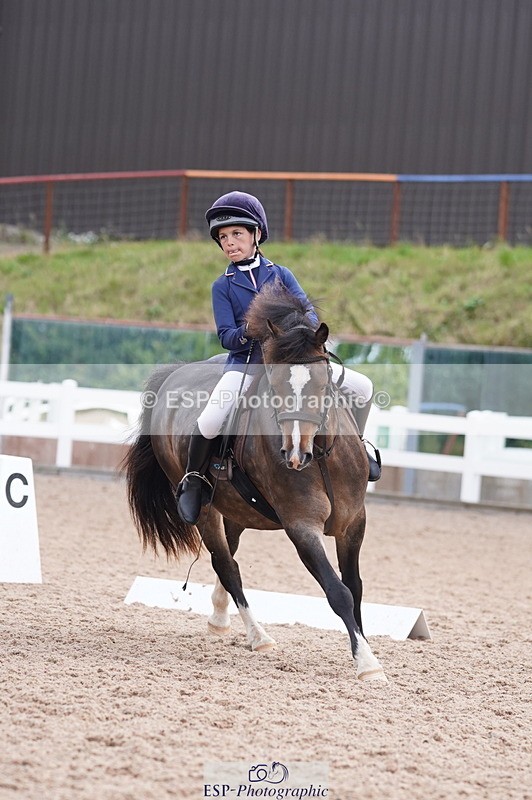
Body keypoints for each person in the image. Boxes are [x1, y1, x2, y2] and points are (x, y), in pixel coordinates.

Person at [177, 191, 381, 525]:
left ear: (256, 234)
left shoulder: (281, 274)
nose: (230, 243)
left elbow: (308, 312)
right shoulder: (222, 286)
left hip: (293, 362)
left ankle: (357, 445)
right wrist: (250, 330)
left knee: (363, 387)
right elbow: (226, 337)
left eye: (237, 234)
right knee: (212, 418)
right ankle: (194, 479)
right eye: (223, 238)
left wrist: (299, 331)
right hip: (247, 365)